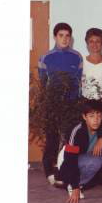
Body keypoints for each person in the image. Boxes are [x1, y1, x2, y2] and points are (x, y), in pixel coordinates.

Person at [37, 22, 83, 187]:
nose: (64, 39)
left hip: (71, 104)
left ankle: (63, 171)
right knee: (52, 138)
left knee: (69, 139)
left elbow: (78, 82)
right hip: (52, 104)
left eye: (67, 36)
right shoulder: (46, 57)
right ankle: (49, 171)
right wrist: (47, 103)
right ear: (55, 37)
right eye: (61, 35)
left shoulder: (77, 57)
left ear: (71, 38)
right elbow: (43, 83)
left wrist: (76, 103)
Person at [80, 27, 102, 100]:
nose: (94, 44)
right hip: (84, 103)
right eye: (91, 41)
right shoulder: (81, 61)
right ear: (87, 43)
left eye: (98, 41)